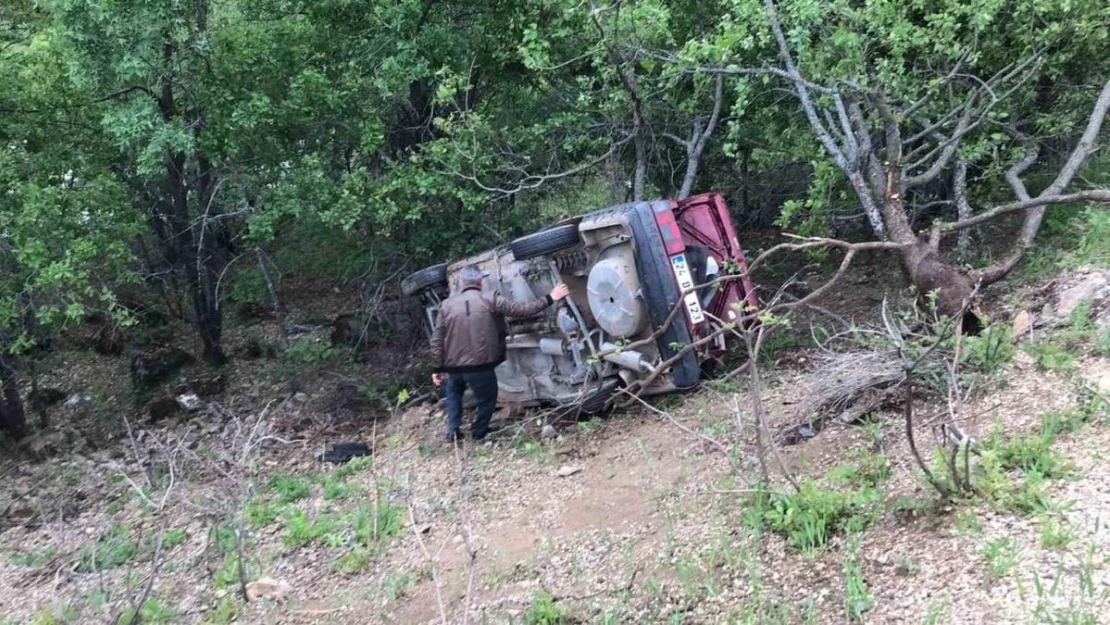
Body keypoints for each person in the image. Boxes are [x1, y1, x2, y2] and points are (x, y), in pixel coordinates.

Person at [430, 264, 570, 441]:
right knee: (487, 399)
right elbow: (522, 311)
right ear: (480, 282)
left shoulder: (446, 306)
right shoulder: (491, 299)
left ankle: (453, 431)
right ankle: (478, 433)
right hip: (481, 366)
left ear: (462, 283)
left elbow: (437, 339)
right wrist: (551, 297)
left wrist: (437, 368)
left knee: (453, 394)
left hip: (454, 367)